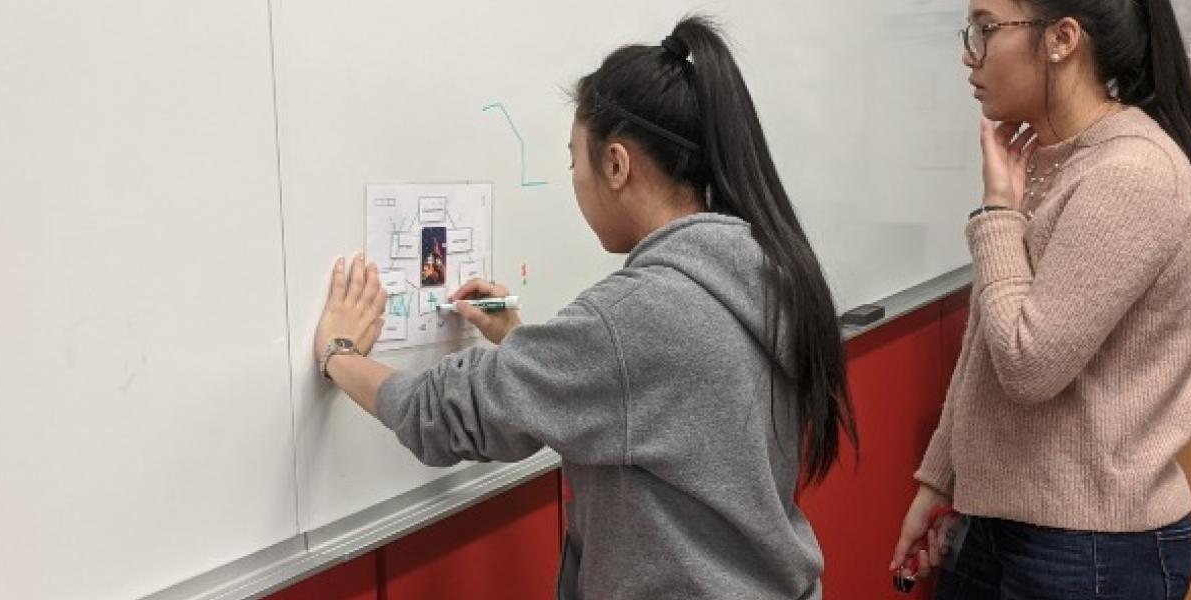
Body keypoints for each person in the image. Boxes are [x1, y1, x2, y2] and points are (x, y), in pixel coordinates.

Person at [313, 15, 856, 600]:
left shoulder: (633, 316)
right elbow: (654, 393)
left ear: (617, 164)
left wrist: (339, 354)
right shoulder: (762, 268)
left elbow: (445, 414)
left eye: (575, 158)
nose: (573, 177)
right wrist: (518, 336)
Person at [889, 0, 1191, 598]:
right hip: (1004, 525)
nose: (970, 54)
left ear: (1062, 39)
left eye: (987, 30)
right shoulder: (1046, 159)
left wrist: (995, 212)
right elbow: (985, 348)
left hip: (1091, 545)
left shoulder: (1131, 174)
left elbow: (1028, 363)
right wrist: (938, 483)